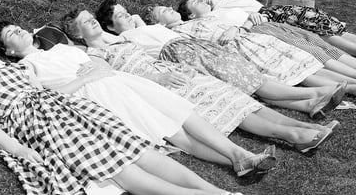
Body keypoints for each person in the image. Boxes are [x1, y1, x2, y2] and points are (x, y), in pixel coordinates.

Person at [0, 44, 242, 195]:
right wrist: (20, 151)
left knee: (141, 151)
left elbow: (49, 89)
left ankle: (215, 192)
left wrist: (82, 82)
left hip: (67, 107)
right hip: (35, 122)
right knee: (120, 168)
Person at [0, 21, 277, 177]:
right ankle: (240, 159)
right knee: (171, 130)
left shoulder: (56, 46)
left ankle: (240, 155)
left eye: (17, 26)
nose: (19, 30)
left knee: (182, 111)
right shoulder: (25, 67)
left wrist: (101, 67)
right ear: (9, 51)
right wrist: (85, 79)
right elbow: (46, 98)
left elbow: (97, 57)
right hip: (98, 95)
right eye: (11, 34)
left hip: (119, 80)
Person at [63, 8, 339, 153]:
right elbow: (114, 79)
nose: (92, 22)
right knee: (229, 110)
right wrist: (157, 76)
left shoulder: (119, 38)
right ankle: (294, 136)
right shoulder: (92, 54)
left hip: (176, 70)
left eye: (91, 18)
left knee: (238, 99)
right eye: (85, 22)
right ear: (78, 34)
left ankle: (303, 126)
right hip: (160, 83)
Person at [96, 0, 356, 103]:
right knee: (297, 72)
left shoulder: (189, 21)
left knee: (306, 60)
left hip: (249, 38)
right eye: (163, 11)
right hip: (236, 48)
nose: (169, 9)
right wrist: (133, 20)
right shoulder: (170, 32)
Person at [179, 0, 356, 83]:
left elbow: (248, 9)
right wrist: (244, 26)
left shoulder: (220, 6)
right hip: (262, 32)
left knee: (321, 42)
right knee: (316, 50)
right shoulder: (199, 24)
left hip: (270, 21)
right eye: (195, 1)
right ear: (190, 14)